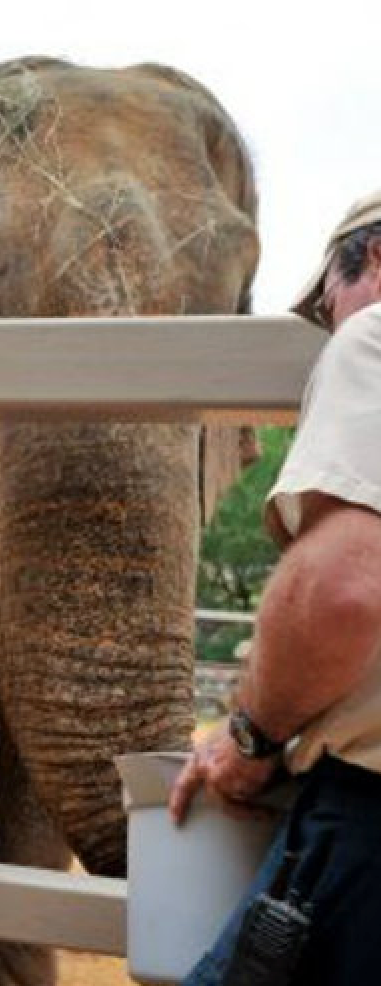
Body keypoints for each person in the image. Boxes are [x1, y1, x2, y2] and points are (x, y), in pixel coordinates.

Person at [170, 190, 381, 985]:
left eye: (330, 301)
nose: (333, 324)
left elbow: (344, 589)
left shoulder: (373, 338)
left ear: (376, 259)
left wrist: (251, 739)